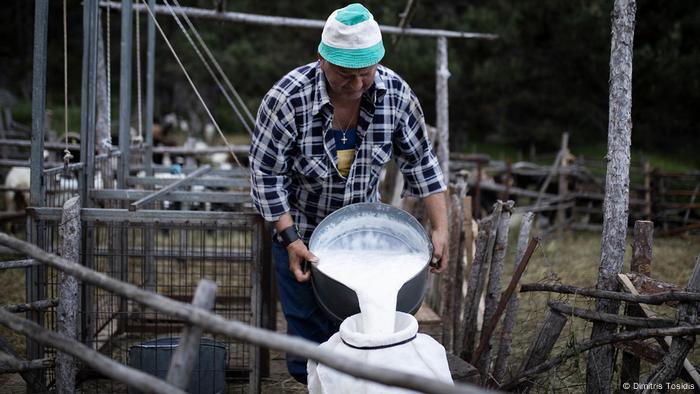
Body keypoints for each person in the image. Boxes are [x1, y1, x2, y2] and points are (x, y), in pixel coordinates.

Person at [249, 3, 449, 384]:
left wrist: (440, 228)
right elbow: (266, 174)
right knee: (309, 344)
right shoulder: (287, 99)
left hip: (365, 241)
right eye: (345, 74)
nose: (356, 85)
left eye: (365, 73)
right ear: (323, 58)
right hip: (302, 234)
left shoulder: (395, 95)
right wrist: (290, 238)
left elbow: (422, 160)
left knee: (365, 337)